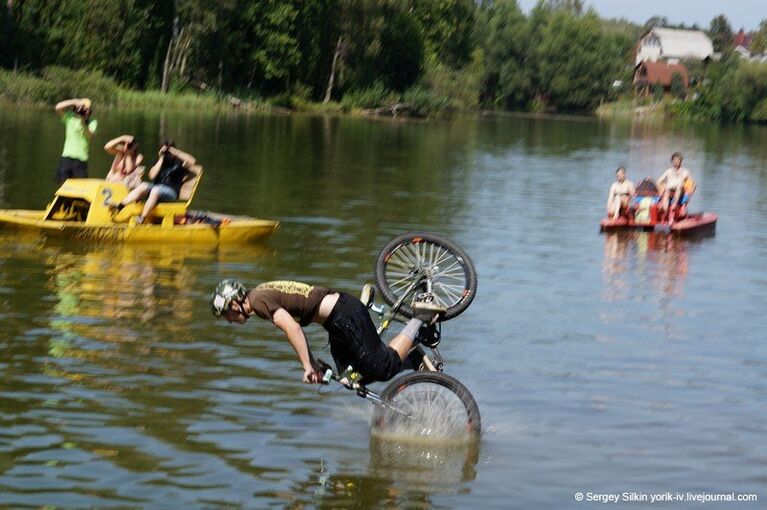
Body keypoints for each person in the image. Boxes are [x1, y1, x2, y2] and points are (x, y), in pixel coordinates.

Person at [209, 280, 445, 384]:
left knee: (381, 368)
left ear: (233, 303)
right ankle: (409, 356)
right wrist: (315, 365)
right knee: (352, 376)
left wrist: (307, 367)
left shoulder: (258, 301)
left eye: (226, 315)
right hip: (335, 321)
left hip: (343, 315)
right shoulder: (260, 295)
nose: (229, 321)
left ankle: (419, 321)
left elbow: (292, 328)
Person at [108, 141, 196, 224]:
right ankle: (120, 206)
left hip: (170, 192)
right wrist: (161, 158)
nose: (167, 153)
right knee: (143, 185)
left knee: (155, 190)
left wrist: (174, 151)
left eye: (169, 151)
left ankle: (142, 218)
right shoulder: (159, 162)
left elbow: (193, 161)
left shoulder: (180, 163)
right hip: (156, 189)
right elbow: (152, 176)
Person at [54, 98, 98, 184]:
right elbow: (57, 107)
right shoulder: (70, 117)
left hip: (80, 160)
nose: (85, 111)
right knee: (63, 186)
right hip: (67, 157)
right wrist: (74, 101)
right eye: (83, 109)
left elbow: (90, 135)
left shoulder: (92, 122)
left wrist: (83, 122)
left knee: (81, 187)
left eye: (87, 109)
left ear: (90, 111)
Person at [657, 152, 693, 223]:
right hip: (669, 191)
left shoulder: (685, 172)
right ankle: (665, 214)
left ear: (681, 161)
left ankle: (675, 205)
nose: (676, 162)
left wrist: (690, 193)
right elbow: (659, 181)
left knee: (679, 185)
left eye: (678, 160)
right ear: (672, 161)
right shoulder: (668, 171)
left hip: (681, 192)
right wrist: (661, 189)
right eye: (674, 160)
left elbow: (692, 184)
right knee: (667, 191)